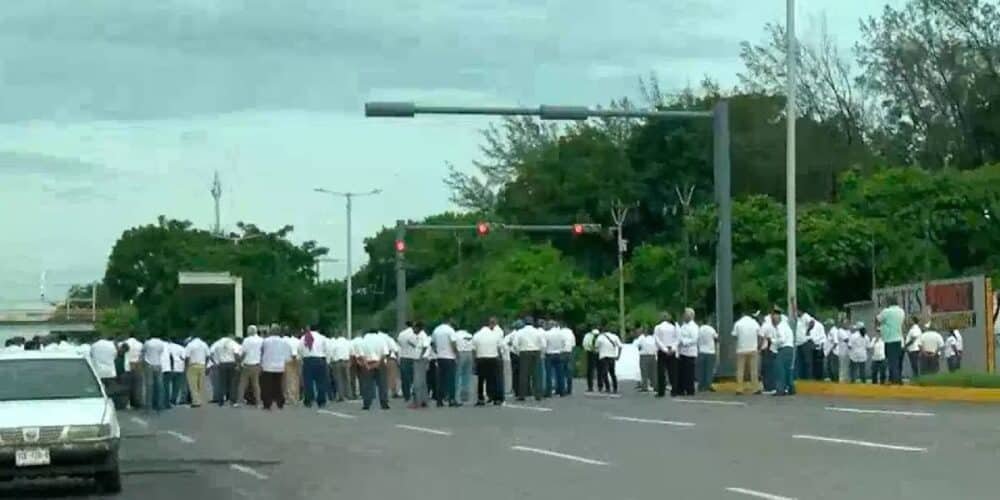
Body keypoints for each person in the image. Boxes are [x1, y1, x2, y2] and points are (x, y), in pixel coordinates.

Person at [472, 317, 504, 406]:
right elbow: (500, 347)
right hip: (493, 358)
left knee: (481, 379)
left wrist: (475, 360)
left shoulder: (476, 335)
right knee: (493, 379)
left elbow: (473, 349)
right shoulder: (495, 335)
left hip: (481, 358)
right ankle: (495, 398)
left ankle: (480, 398)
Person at [260, 327, 293, 410]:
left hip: (267, 366)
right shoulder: (284, 342)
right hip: (279, 366)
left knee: (267, 386)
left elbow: (262, 351)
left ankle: (267, 403)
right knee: (278, 385)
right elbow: (288, 355)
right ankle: (280, 402)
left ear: (271, 332)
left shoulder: (266, 341)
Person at [357, 331, 391, 410]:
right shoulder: (381, 340)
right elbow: (385, 353)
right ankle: (384, 403)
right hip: (380, 363)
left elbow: (361, 355)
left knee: (367, 384)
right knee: (382, 384)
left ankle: (367, 403)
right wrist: (378, 363)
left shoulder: (363, 341)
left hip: (368, 363)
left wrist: (367, 365)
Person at [876, 297, 906, 384]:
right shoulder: (901, 311)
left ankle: (894, 381)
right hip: (899, 339)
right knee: (897, 362)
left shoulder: (886, 311)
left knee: (892, 362)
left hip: (890, 340)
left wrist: (881, 327)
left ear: (888, 303)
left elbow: (877, 319)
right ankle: (897, 380)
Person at [431, 320, 460, 407]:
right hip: (449, 357)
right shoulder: (450, 330)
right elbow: (453, 343)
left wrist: (437, 351)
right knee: (451, 379)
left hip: (440, 357)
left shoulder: (436, 330)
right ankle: (451, 399)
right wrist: (456, 353)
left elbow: (432, 343)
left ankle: (439, 400)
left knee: (441, 380)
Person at [514, 318, 545, 401]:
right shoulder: (537, 332)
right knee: (536, 374)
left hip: (524, 352)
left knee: (523, 374)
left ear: (524, 323)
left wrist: (518, 352)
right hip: (535, 351)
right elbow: (543, 344)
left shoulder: (520, 332)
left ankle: (522, 395)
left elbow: (515, 344)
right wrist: (541, 352)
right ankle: (538, 394)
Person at [299, 328, 331, 408]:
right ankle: (321, 400)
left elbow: (300, 349)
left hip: (308, 360)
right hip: (320, 359)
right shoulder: (322, 338)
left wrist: (303, 357)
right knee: (321, 381)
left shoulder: (304, 337)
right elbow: (327, 350)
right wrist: (327, 360)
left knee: (308, 381)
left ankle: (309, 400)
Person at [732, 311, 762, 395]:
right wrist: (758, 346)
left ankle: (739, 389)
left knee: (740, 370)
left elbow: (734, 336)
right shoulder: (754, 323)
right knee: (753, 370)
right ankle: (755, 388)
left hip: (741, 349)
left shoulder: (738, 323)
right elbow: (760, 335)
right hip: (753, 348)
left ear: (742, 315)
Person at [236, 325, 264, 408]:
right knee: (256, 385)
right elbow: (263, 352)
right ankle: (258, 402)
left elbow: (243, 353)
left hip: (247, 365)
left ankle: (240, 401)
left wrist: (239, 363)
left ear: (249, 331)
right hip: (257, 364)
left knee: (242, 384)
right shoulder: (261, 340)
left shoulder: (246, 340)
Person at [771, 308, 796, 396]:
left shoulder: (780, 327)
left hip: (783, 349)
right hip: (790, 348)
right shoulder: (786, 326)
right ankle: (791, 388)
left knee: (780, 370)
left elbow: (782, 339)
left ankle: (780, 389)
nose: (773, 318)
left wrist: (774, 341)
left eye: (774, 316)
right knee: (787, 370)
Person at [653, 312, 679, 397]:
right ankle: (674, 390)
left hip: (662, 351)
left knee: (661, 372)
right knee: (673, 372)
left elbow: (657, 340)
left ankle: (661, 391)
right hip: (672, 349)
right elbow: (677, 339)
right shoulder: (674, 327)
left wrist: (664, 349)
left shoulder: (658, 327)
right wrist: (673, 348)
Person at [210, 335, 240, 406]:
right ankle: (233, 401)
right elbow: (236, 353)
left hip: (222, 364)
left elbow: (211, 353)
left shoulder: (217, 343)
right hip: (232, 363)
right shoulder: (233, 343)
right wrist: (238, 363)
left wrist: (215, 362)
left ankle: (221, 401)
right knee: (233, 383)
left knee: (222, 383)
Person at [408, 322, 432, 409]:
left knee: (417, 381)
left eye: (414, 328)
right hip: (420, 359)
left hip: (419, 360)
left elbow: (425, 346)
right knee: (422, 381)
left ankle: (416, 402)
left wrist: (420, 356)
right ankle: (423, 400)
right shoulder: (420, 336)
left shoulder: (422, 335)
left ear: (418, 328)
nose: (413, 329)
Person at [141, 335, 167, 411]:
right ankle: (159, 404)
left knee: (149, 385)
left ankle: (149, 405)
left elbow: (143, 352)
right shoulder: (161, 343)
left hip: (149, 364)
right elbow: (161, 352)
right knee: (159, 385)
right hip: (158, 364)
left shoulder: (147, 343)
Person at [676, 308, 699, 396]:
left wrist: (684, 341)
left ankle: (690, 390)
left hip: (690, 352)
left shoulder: (694, 327)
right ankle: (680, 389)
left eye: (686, 314)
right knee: (681, 372)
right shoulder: (683, 326)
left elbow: (694, 339)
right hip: (682, 352)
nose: (684, 316)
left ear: (691, 316)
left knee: (689, 373)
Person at [90, 336, 119, 402]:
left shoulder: (94, 345)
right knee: (111, 390)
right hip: (110, 371)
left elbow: (91, 356)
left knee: (100, 389)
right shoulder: (111, 345)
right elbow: (115, 356)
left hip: (98, 371)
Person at [184, 336, 210, 407]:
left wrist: (186, 367)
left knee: (193, 385)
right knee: (200, 384)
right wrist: (206, 364)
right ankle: (201, 400)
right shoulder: (204, 344)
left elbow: (187, 357)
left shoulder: (190, 345)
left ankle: (196, 402)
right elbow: (208, 355)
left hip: (192, 365)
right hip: (202, 365)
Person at [543, 320, 566, 397]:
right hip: (559, 354)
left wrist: (545, 351)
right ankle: (561, 391)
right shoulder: (561, 334)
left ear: (550, 325)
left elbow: (544, 344)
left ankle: (548, 392)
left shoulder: (547, 334)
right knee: (560, 374)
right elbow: (564, 343)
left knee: (549, 374)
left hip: (549, 354)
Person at [595, 327, 622, 393]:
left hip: (603, 357)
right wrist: (618, 355)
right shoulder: (615, 336)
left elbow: (596, 347)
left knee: (604, 373)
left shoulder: (600, 337)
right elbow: (620, 346)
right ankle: (615, 388)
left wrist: (598, 351)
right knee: (612, 373)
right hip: (612, 357)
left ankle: (608, 387)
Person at [328, 333, 353, 402]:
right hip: (346, 361)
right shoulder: (348, 342)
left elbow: (331, 353)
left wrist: (330, 361)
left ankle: (341, 396)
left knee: (339, 379)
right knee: (347, 379)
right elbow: (351, 353)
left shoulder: (335, 343)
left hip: (337, 362)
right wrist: (350, 361)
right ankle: (349, 394)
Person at [397, 321, 418, 401]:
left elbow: (399, 343)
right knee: (415, 377)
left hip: (404, 356)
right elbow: (416, 344)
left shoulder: (401, 334)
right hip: (414, 357)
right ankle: (415, 393)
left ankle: (406, 395)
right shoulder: (414, 334)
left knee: (405, 378)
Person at [696, 320, 719, 392]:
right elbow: (717, 338)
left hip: (701, 351)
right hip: (710, 352)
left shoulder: (699, 329)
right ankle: (708, 385)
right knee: (709, 370)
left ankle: (700, 385)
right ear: (709, 323)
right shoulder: (711, 329)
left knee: (701, 370)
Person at [454, 328, 475, 403]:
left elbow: (454, 345)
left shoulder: (456, 335)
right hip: (469, 353)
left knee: (457, 375)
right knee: (467, 376)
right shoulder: (470, 335)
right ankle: (465, 395)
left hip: (460, 353)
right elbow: (473, 347)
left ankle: (455, 395)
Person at [379, 330, 402, 398]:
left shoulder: (377, 338)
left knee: (382, 377)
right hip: (390, 359)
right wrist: (398, 360)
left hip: (379, 359)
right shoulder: (389, 339)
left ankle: (382, 393)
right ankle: (393, 392)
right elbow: (395, 350)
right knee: (392, 376)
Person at [123, 335, 144, 409]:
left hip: (127, 366)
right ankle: (137, 402)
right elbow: (142, 355)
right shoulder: (140, 344)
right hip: (137, 365)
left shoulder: (125, 342)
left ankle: (128, 403)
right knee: (137, 386)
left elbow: (121, 353)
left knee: (127, 386)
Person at [758, 312, 777, 394]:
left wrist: (758, 347)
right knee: (771, 369)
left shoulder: (765, 326)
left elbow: (761, 338)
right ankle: (772, 386)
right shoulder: (773, 326)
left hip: (766, 349)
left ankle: (768, 388)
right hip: (773, 349)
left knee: (766, 369)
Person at [283, 330, 303, 405]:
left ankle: (290, 398)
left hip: (289, 360)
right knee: (296, 379)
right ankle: (296, 397)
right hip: (298, 360)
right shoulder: (299, 341)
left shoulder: (286, 341)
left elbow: (292, 353)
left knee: (289, 380)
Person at [634, 327, 657, 392]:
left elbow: (636, 344)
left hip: (644, 356)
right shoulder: (653, 338)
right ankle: (655, 386)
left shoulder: (641, 338)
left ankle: (645, 386)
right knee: (653, 372)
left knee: (644, 372)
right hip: (653, 355)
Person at [794, 312, 815, 380]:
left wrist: (808, 330)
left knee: (807, 362)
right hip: (798, 343)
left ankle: (809, 379)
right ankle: (801, 378)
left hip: (805, 342)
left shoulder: (805, 316)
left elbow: (812, 322)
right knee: (799, 363)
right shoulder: (796, 319)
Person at [166, 340, 187, 406]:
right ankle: (173, 399)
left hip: (168, 367)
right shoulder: (181, 348)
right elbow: (184, 358)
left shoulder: (166, 347)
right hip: (179, 368)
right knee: (176, 385)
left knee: (167, 385)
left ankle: (166, 399)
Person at [559, 322, 576, 395]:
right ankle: (569, 389)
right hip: (569, 352)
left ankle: (562, 389)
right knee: (569, 371)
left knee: (561, 371)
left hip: (562, 352)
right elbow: (573, 344)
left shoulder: (560, 332)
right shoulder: (571, 332)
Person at [581, 328, 598, 392]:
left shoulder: (587, 336)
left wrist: (587, 349)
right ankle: (600, 386)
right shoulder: (600, 336)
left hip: (590, 353)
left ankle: (590, 387)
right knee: (600, 370)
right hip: (598, 352)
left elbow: (584, 344)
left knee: (590, 370)